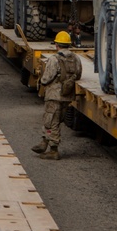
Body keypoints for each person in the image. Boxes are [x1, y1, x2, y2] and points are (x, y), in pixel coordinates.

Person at [31, 31, 83, 160]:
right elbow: (79, 74)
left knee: (51, 120)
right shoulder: (76, 58)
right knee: (56, 120)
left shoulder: (54, 59)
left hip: (54, 95)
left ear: (57, 45)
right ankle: (44, 142)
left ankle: (53, 150)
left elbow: (46, 78)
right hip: (67, 95)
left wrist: (42, 82)